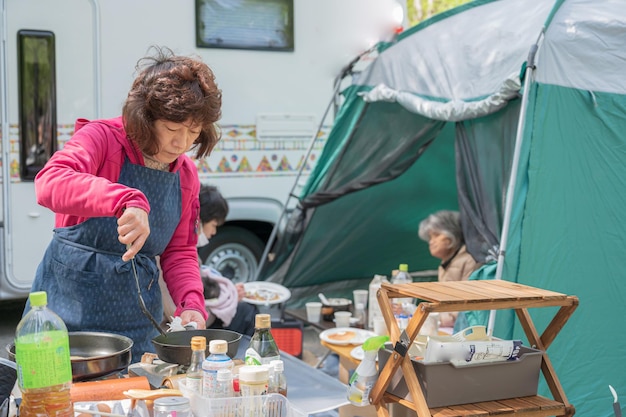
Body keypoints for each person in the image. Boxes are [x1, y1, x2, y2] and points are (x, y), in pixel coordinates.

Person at [25, 46, 222, 363]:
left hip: (137, 324)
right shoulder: (102, 138)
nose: (182, 143)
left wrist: (191, 304)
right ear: (146, 118)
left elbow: (180, 250)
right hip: (64, 316)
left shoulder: (186, 175)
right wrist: (124, 199)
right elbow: (50, 182)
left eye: (193, 132)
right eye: (172, 129)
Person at [161, 185, 258, 336]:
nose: (214, 232)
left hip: (193, 314)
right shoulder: (170, 252)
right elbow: (174, 312)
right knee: (248, 312)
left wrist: (230, 294)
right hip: (183, 327)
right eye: (213, 225)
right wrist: (229, 301)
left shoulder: (183, 249)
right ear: (198, 219)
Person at [418, 210, 480, 328]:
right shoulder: (446, 263)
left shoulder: (469, 261)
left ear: (452, 234)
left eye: (436, 235)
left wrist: (434, 319)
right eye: (430, 237)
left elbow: (466, 308)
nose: (431, 242)